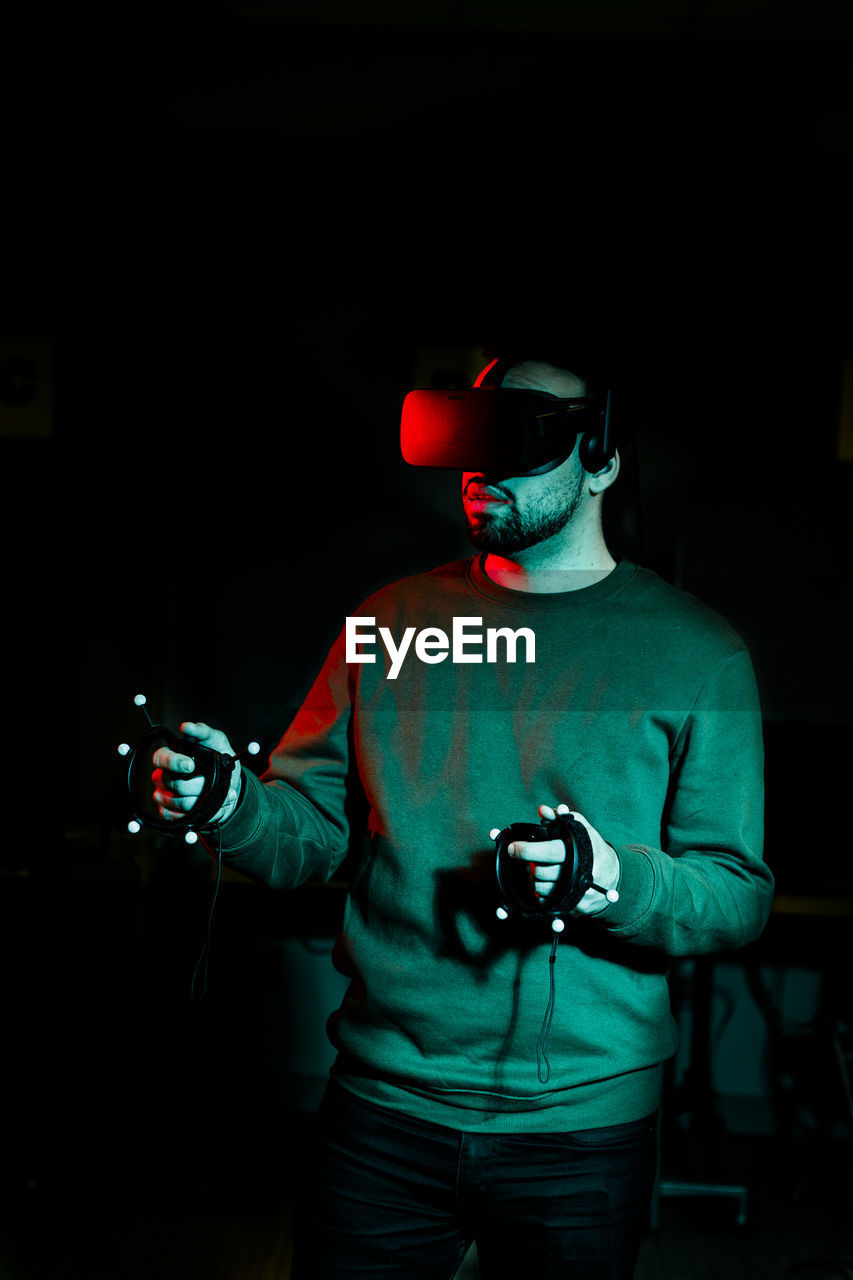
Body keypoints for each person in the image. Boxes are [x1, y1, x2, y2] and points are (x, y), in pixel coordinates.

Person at [152, 356, 774, 1279]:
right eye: (468, 438)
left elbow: (734, 893)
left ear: (600, 458)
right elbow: (311, 834)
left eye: (516, 439)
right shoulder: (391, 623)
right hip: (381, 1108)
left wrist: (609, 881)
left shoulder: (698, 656)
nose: (481, 469)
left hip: (580, 1129)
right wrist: (230, 803)